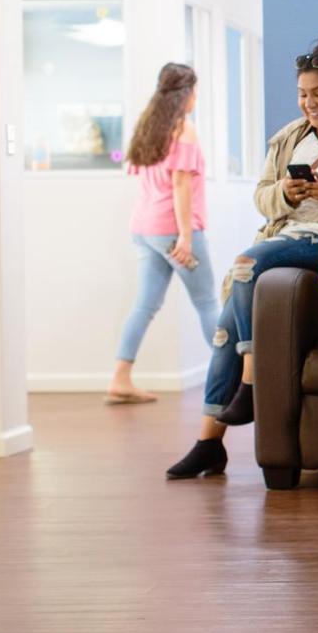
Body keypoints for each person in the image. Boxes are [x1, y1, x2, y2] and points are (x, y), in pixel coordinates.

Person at [166, 34, 318, 479]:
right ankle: (209, 442)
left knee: (245, 265)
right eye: (303, 94)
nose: (310, 103)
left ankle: (249, 382)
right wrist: (285, 194)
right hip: (285, 236)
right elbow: (262, 198)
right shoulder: (289, 137)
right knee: (227, 326)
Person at [108, 63, 219, 405]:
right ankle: (232, 380)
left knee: (144, 305)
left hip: (144, 228)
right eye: (195, 91)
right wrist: (186, 236)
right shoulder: (184, 129)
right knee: (206, 302)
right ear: (186, 93)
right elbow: (181, 183)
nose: (197, 98)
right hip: (174, 230)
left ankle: (120, 378)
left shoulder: (148, 127)